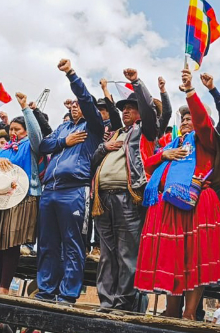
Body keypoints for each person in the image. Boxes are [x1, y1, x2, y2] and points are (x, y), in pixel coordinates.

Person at [135, 67, 220, 320]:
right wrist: (163, 155)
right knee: (174, 258)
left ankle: (189, 312)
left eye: (190, 117)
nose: (186, 121)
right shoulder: (173, 144)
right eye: (183, 119)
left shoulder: (206, 140)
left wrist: (191, 91)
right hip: (170, 204)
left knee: (195, 257)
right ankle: (171, 310)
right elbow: (148, 165)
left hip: (198, 202)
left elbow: (203, 121)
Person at [35, 59, 105, 304]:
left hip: (74, 190)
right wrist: (64, 142)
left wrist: (71, 75)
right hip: (50, 191)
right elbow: (44, 145)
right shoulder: (64, 127)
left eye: (79, 104)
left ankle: (67, 295)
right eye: (72, 104)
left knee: (72, 244)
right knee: (47, 244)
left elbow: (85, 98)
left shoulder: (95, 126)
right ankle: (45, 290)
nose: (75, 107)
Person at [90, 68, 158, 312]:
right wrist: (104, 148)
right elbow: (94, 160)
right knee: (107, 254)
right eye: (123, 108)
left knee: (127, 253)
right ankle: (106, 302)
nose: (126, 111)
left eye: (131, 107)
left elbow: (151, 112)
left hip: (127, 197)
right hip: (103, 199)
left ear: (140, 111)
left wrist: (137, 83)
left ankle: (122, 303)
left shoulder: (145, 132)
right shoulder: (115, 134)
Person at [0, 92, 43, 294]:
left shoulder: (30, 146)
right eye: (11, 129)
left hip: (21, 198)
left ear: (25, 131)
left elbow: (37, 135)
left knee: (10, 242)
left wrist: (25, 109)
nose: (13, 132)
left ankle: (4, 287)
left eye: (17, 129)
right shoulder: (3, 149)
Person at [199, 73, 220, 139]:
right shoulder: (177, 142)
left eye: (189, 119)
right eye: (183, 119)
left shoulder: (212, 137)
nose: (184, 123)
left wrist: (212, 89)